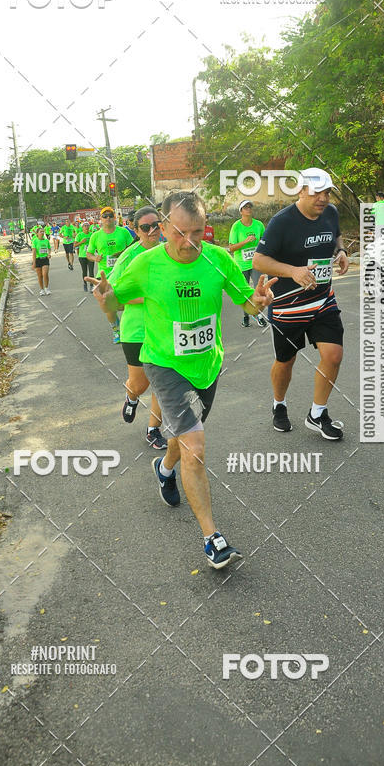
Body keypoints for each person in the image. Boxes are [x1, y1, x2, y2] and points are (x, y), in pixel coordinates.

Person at [88, 191, 277, 569]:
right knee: (195, 445)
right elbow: (115, 302)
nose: (189, 242)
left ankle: (164, 469)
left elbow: (247, 303)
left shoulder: (218, 258)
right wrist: (105, 298)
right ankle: (213, 539)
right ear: (163, 228)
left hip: (207, 366)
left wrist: (258, 300)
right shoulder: (145, 265)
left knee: (181, 437)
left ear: (205, 229)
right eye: (179, 233)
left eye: (197, 232)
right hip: (164, 365)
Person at [253, 168, 349, 439]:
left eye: (327, 192)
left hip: (322, 301)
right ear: (301, 190)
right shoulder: (282, 221)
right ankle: (279, 404)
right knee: (286, 361)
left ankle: (317, 414)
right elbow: (259, 261)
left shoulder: (330, 213)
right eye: (316, 191)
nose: (323, 198)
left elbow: (336, 234)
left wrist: (340, 251)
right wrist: (293, 271)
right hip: (288, 306)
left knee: (334, 356)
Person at [105, 206, 167, 450]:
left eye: (156, 225)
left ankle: (153, 429)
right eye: (145, 227)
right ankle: (131, 396)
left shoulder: (170, 252)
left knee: (162, 382)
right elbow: (113, 294)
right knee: (140, 384)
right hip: (136, 330)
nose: (152, 231)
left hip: (163, 329)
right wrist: (148, 299)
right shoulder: (129, 257)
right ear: (136, 230)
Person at [86, 207, 133, 343]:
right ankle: (116, 330)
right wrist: (95, 258)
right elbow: (88, 253)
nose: (108, 218)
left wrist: (123, 255)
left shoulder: (123, 232)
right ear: (100, 219)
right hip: (105, 276)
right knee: (109, 307)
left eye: (110, 216)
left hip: (124, 273)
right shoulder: (96, 236)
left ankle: (126, 327)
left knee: (125, 304)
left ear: (114, 217)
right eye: (105, 216)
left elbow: (132, 247)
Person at [228, 200, 266, 328]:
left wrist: (260, 243)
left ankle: (259, 315)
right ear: (241, 211)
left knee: (258, 289)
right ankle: (246, 316)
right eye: (245, 207)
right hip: (241, 265)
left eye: (250, 207)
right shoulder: (236, 226)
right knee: (244, 292)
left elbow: (265, 241)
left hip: (256, 263)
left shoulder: (258, 225)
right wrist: (246, 241)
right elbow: (232, 248)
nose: (248, 209)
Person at [31, 225, 51, 296]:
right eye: (40, 231)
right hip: (38, 259)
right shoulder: (35, 241)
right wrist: (34, 263)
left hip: (45, 259)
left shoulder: (46, 240)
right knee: (40, 276)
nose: (42, 233)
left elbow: (49, 248)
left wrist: (49, 254)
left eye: (43, 231)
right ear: (37, 233)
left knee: (45, 274)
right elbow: (34, 252)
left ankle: (46, 288)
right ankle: (42, 290)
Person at [74, 222, 94, 292]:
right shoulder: (79, 235)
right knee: (84, 271)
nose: (86, 227)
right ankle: (85, 284)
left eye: (87, 225)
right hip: (82, 256)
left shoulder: (92, 235)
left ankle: (92, 286)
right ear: (82, 227)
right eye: (85, 226)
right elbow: (75, 245)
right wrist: (81, 242)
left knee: (91, 271)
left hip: (91, 255)